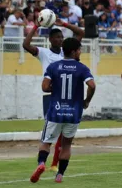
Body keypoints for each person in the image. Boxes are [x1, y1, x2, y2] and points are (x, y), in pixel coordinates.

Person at [30, 37, 96, 183]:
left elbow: (45, 87)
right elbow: (92, 85)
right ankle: (60, 174)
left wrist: (57, 89)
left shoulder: (53, 67)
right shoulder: (82, 68)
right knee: (66, 145)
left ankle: (41, 164)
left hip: (55, 112)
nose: (80, 52)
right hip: (74, 113)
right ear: (73, 52)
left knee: (46, 142)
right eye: (79, 50)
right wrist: (86, 101)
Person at [23, 18, 84, 172]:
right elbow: (26, 45)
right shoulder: (43, 53)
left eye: (62, 37)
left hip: (69, 97)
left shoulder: (68, 52)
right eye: (57, 37)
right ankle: (52, 164)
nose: (60, 39)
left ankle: (54, 164)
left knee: (64, 134)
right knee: (53, 131)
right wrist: (36, 25)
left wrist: (63, 24)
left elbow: (81, 33)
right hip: (51, 95)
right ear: (50, 39)